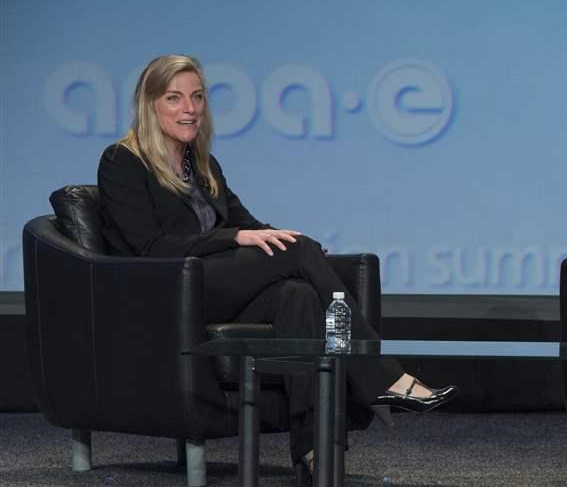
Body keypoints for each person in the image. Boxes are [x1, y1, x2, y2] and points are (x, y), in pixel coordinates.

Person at [97, 54, 459, 484]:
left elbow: (244, 223)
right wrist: (235, 239)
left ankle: (315, 452)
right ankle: (386, 376)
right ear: (149, 104)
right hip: (168, 289)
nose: (189, 108)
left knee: (300, 297)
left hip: (215, 286)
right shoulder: (122, 161)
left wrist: (285, 240)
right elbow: (149, 247)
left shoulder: (204, 165)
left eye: (196, 97)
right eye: (174, 98)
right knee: (299, 254)